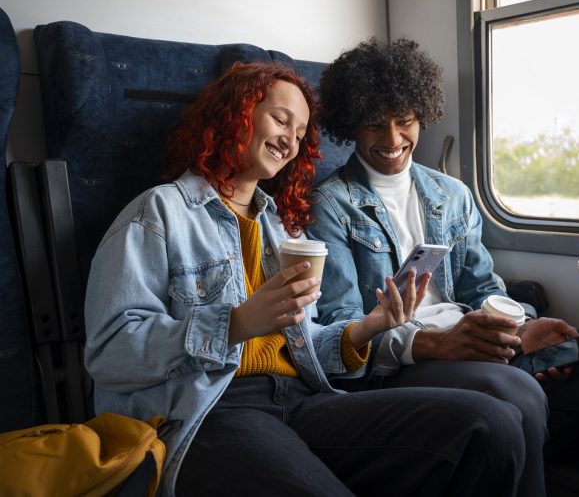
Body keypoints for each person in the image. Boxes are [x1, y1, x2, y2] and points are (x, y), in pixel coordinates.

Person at [83, 61, 529, 497]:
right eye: (280, 120)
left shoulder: (280, 228)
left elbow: (308, 344)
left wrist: (374, 324)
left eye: (300, 133)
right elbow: (109, 352)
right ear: (234, 115)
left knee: (490, 424)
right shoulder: (158, 213)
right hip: (211, 410)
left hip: (303, 398)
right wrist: (235, 323)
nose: (289, 141)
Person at [307, 38, 579, 497]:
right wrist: (435, 343)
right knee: (518, 393)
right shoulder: (329, 206)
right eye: (375, 125)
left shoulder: (450, 194)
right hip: (410, 361)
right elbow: (342, 329)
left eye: (404, 121)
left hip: (481, 338)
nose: (394, 139)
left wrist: (523, 325)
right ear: (351, 126)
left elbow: (480, 288)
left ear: (422, 115)